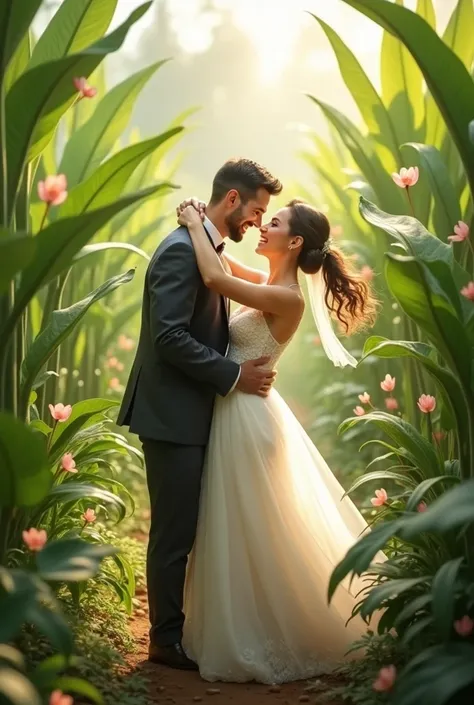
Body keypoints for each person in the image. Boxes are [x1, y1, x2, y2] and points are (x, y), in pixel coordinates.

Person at [176, 196, 378, 684]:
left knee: (249, 523)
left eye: (275, 223)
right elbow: (223, 262)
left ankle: (268, 627)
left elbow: (215, 279)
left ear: (295, 242)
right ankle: (250, 620)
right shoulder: (271, 283)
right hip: (240, 409)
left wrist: (189, 223)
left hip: (248, 418)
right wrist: (205, 223)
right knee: (243, 525)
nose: (264, 226)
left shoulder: (287, 296)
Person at [117, 158, 283, 670]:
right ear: (231, 200)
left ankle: (181, 629)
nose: (257, 222)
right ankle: (165, 641)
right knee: (174, 531)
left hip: (193, 412)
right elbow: (169, 338)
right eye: (255, 210)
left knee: (187, 527)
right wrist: (234, 377)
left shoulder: (205, 247)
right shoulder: (179, 252)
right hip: (171, 415)